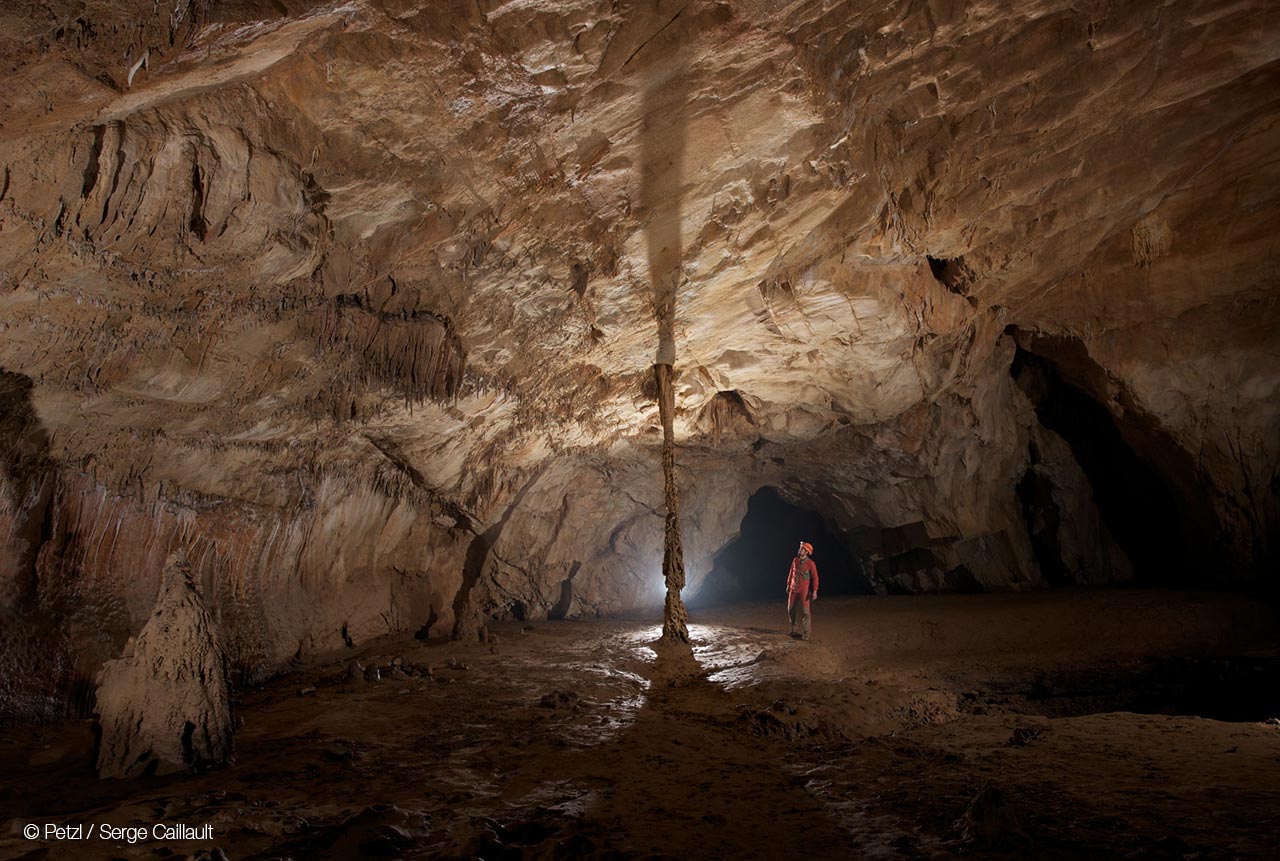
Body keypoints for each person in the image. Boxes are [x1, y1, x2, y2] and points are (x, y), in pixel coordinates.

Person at [786, 541, 819, 640]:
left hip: (803, 591)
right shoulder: (795, 560)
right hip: (793, 589)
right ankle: (794, 628)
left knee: (805, 612)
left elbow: (815, 578)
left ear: (807, 552)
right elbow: (791, 572)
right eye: (801, 548)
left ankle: (806, 634)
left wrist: (815, 591)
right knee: (790, 609)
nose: (801, 550)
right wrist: (788, 585)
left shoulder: (810, 564)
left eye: (803, 549)